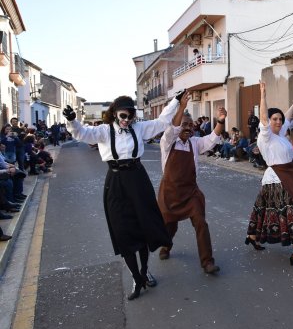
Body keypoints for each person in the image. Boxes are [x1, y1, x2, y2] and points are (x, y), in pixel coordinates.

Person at [63, 95, 177, 300]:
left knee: (143, 227)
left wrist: (175, 102)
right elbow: (81, 133)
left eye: (131, 116)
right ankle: (136, 276)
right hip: (115, 182)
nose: (126, 120)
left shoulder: (138, 128)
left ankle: (143, 273)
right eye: (123, 115)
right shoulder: (104, 131)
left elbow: (161, 122)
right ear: (114, 113)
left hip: (138, 180)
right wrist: (72, 120)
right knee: (122, 230)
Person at [157, 91, 225, 274]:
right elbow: (172, 128)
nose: (187, 128)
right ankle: (166, 247)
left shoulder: (195, 143)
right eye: (184, 124)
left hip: (190, 193)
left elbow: (211, 140)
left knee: (201, 223)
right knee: (169, 226)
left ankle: (207, 262)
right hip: (170, 193)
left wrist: (220, 120)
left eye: (190, 125)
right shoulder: (167, 142)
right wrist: (181, 107)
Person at [246, 80, 293, 269]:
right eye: (274, 119)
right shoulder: (265, 136)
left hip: (289, 175)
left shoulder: (281, 134)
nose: (278, 121)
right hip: (276, 177)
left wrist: (292, 106)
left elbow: (288, 117)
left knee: (265, 209)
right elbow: (266, 120)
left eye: (279, 119)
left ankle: (252, 237)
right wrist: (263, 95)